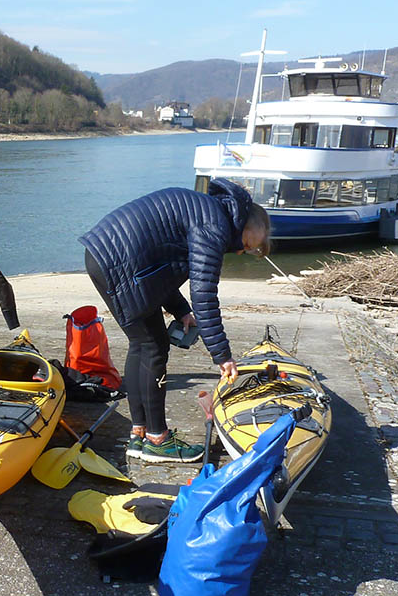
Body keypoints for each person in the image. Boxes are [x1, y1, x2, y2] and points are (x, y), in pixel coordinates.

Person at [79, 179, 272, 464]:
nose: (242, 252)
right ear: (246, 225)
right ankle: (158, 439)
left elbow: (164, 266)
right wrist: (222, 356)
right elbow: (204, 293)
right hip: (121, 262)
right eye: (247, 245)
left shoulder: (208, 212)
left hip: (105, 254)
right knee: (154, 346)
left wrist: (181, 310)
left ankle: (139, 434)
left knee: (142, 344)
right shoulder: (215, 225)